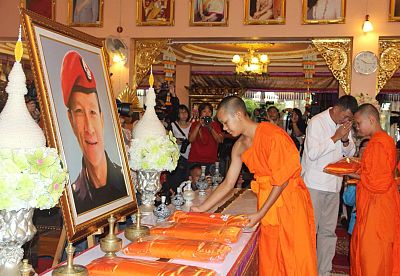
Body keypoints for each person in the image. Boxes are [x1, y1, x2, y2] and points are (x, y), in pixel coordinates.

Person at [191, 96, 317, 275]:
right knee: (271, 255)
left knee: (294, 256)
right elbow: (228, 183)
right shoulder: (239, 146)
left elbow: (282, 180)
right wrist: (202, 208)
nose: (224, 128)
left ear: (239, 114)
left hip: (289, 200)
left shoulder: (273, 135)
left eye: (226, 123)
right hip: (267, 199)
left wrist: (260, 213)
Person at [61, 50, 128, 214]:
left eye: (93, 112)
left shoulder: (125, 182)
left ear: (102, 118)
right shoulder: (74, 198)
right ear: (70, 120)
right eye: (79, 112)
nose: (89, 129)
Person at [301, 95, 358, 276]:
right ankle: (305, 269)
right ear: (337, 108)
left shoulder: (344, 127)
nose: (347, 121)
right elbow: (312, 153)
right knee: (309, 231)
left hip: (334, 185)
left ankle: (323, 271)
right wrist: (335, 136)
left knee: (328, 232)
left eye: (350, 118)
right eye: (346, 116)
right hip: (314, 185)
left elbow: (351, 152)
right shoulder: (317, 122)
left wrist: (345, 140)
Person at [347, 104, 400, 276]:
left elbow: (379, 182)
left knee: (373, 254)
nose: (357, 127)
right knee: (370, 251)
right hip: (377, 203)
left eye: (358, 123)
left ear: (371, 120)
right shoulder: (382, 140)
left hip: (378, 206)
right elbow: (375, 171)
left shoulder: (379, 143)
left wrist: (351, 173)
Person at [188, 103, 223, 174]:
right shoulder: (195, 124)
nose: (207, 114)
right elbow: (190, 139)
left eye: (209, 112)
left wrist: (210, 128)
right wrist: (198, 125)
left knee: (210, 183)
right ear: (200, 113)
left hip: (211, 160)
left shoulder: (215, 125)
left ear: (211, 114)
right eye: (204, 111)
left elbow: (219, 140)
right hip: (195, 160)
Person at [168, 104, 192, 191]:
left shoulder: (192, 125)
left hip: (190, 155)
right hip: (178, 156)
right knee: (177, 179)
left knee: (187, 179)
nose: (183, 114)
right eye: (181, 112)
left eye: (185, 112)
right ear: (177, 114)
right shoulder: (173, 125)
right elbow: (168, 138)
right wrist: (175, 140)